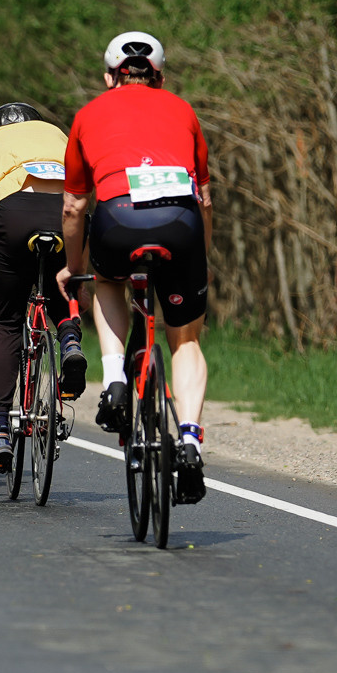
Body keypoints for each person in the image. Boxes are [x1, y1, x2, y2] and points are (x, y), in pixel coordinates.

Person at [57, 30, 215, 504]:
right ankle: (189, 438)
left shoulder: (87, 115)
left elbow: (72, 206)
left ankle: (116, 379)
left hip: (118, 219)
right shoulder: (182, 109)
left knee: (107, 281)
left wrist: (73, 265)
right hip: (179, 219)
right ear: (159, 76)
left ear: (110, 77)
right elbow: (204, 196)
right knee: (184, 338)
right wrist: (199, 254)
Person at [0, 100, 89, 473]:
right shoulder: (58, 134)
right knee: (62, 281)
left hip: (14, 214)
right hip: (65, 211)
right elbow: (82, 196)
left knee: (7, 323)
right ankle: (70, 338)